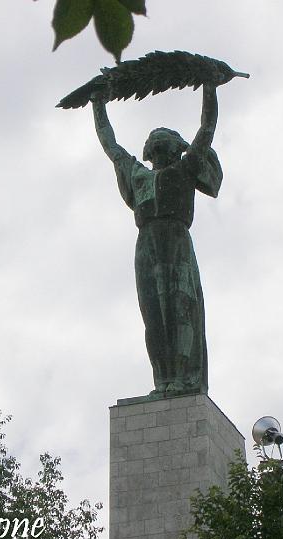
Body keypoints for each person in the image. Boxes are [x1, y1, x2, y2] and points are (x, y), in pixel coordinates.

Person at [92, 84, 223, 397]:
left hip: (176, 241)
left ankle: (183, 378)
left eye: (165, 136)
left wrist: (209, 87)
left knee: (181, 310)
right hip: (147, 244)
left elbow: (207, 128)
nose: (157, 138)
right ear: (148, 149)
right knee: (153, 313)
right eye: (154, 138)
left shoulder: (186, 166)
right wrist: (98, 104)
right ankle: (162, 380)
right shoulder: (137, 174)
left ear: (175, 146)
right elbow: (110, 145)